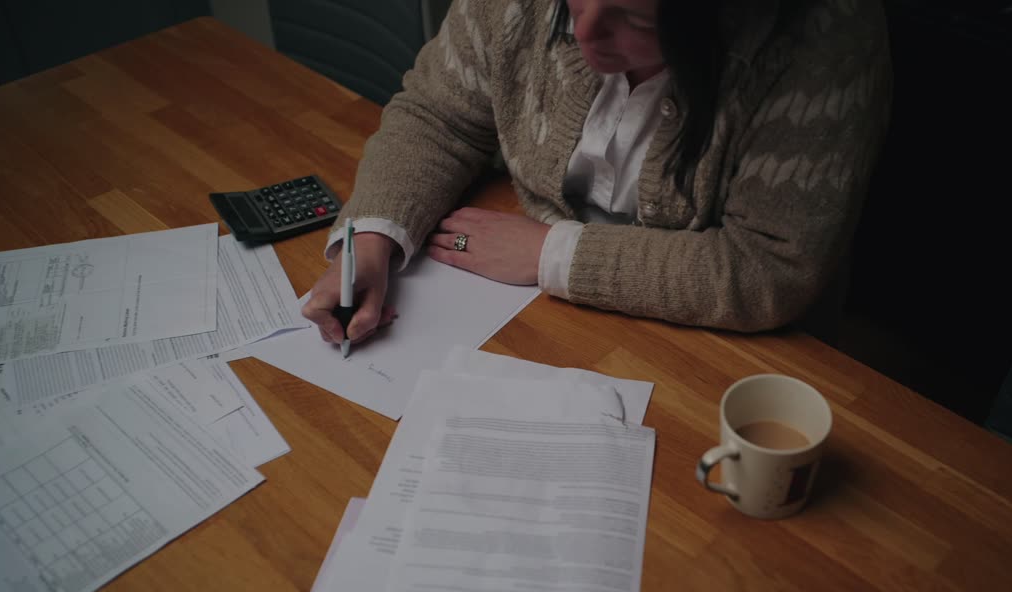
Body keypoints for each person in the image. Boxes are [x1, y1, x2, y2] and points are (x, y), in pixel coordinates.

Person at [303, 0, 890, 347]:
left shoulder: (820, 39)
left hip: (736, 354)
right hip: (533, 322)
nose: (583, 34)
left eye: (632, 16)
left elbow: (770, 268)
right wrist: (372, 240)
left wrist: (552, 255)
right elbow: (439, 113)